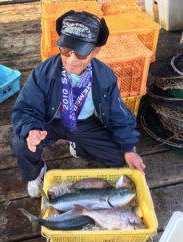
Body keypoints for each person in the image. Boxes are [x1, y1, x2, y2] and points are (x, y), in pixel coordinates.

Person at [10, 10, 146, 198]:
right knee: (20, 142)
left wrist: (129, 148)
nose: (72, 60)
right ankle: (36, 172)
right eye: (66, 51)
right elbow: (26, 107)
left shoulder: (105, 77)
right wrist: (31, 129)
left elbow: (119, 114)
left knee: (119, 155)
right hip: (49, 123)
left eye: (81, 53)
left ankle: (79, 146)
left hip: (84, 123)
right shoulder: (43, 72)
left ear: (95, 51)